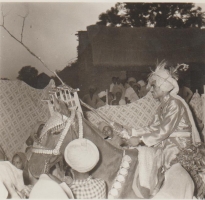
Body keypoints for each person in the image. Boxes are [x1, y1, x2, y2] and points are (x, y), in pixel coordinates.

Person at [120, 61, 201, 198]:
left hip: (178, 145)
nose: (151, 90)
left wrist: (141, 140)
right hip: (167, 142)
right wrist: (133, 132)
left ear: (164, 88)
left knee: (158, 159)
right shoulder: (163, 105)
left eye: (154, 87)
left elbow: (164, 130)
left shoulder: (174, 103)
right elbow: (153, 127)